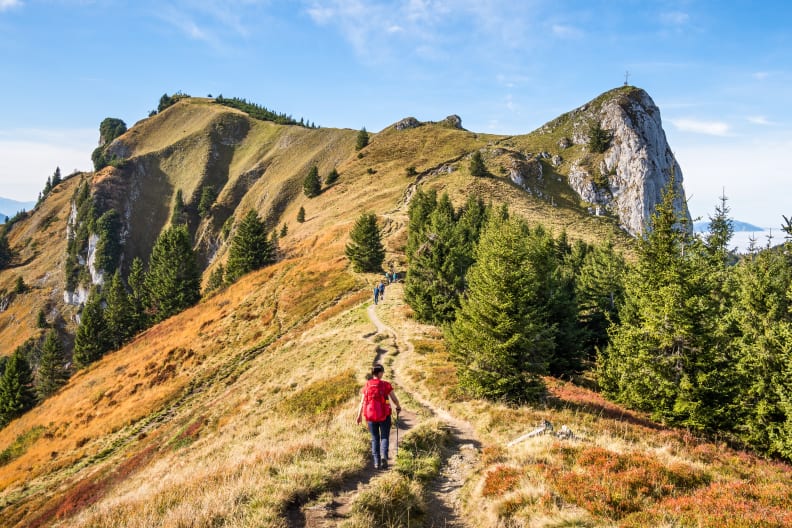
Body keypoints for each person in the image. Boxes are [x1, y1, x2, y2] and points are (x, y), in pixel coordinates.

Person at [356, 364, 401, 469]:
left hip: (370, 416)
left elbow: (362, 402)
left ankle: (376, 462)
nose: (383, 374)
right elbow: (394, 399)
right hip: (384, 415)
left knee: (374, 438)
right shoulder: (386, 385)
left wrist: (359, 416)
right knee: (384, 436)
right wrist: (398, 406)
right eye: (382, 372)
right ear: (380, 373)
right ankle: (384, 457)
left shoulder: (367, 385)